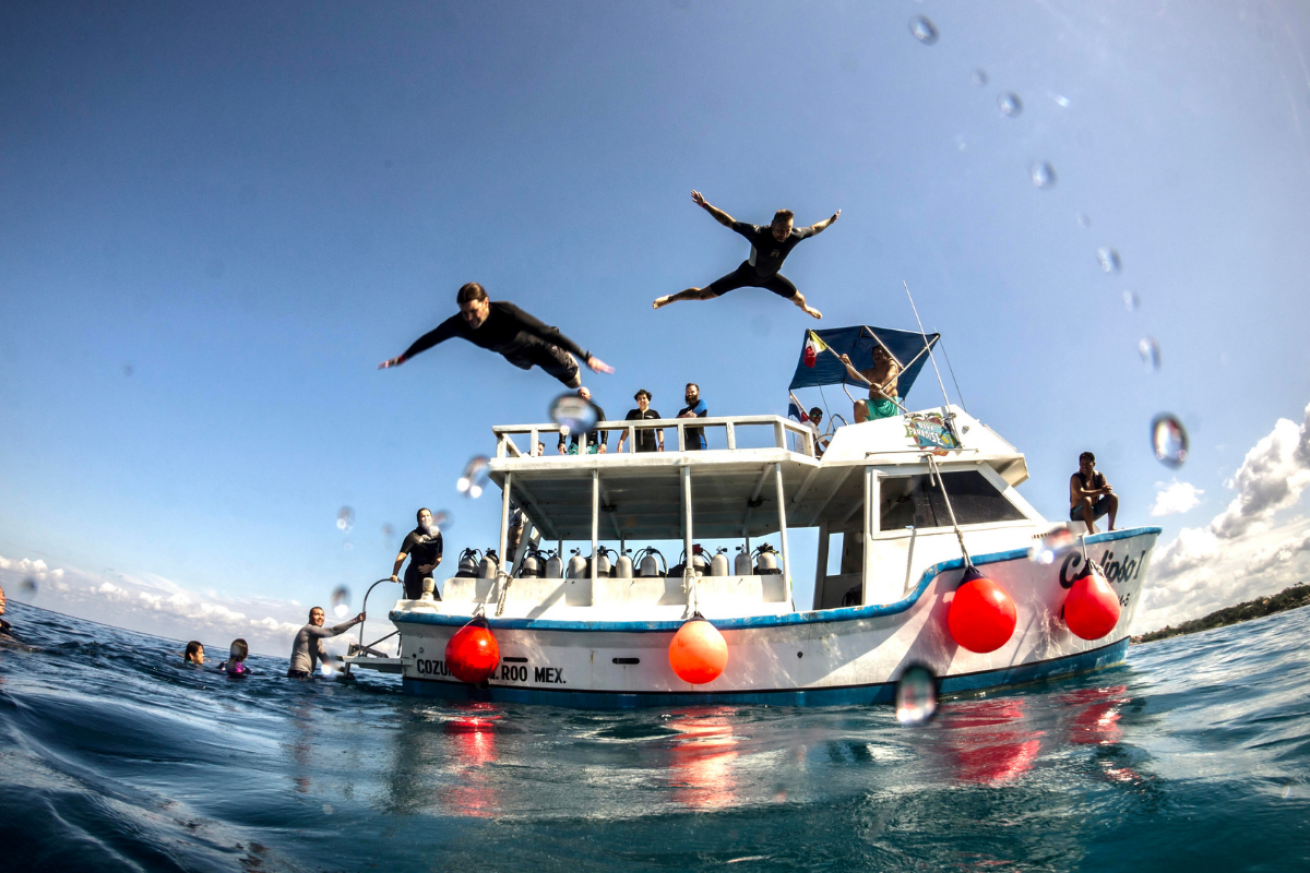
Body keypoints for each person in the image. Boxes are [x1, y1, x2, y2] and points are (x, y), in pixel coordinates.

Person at [378, 282, 613, 388]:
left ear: (486, 302)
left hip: (540, 346)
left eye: (473, 311)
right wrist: (403, 357)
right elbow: (430, 338)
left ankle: (565, 359)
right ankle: (537, 362)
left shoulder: (505, 311)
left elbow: (543, 330)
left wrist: (587, 356)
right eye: (464, 313)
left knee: (573, 383)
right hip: (513, 356)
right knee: (526, 365)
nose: (469, 319)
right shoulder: (458, 324)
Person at [652, 191, 839, 319]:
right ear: (772, 224)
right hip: (746, 274)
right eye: (780, 230)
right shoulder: (758, 232)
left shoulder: (795, 235)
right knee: (703, 295)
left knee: (800, 299)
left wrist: (830, 221)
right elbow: (728, 222)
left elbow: (815, 228)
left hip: (770, 278)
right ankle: (672, 298)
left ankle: (806, 309)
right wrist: (706, 206)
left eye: (787, 230)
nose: (783, 235)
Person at [288, 607, 364, 679]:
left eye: (322, 615)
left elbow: (326, 661)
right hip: (299, 674)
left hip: (304, 675)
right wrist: (355, 620)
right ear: (310, 617)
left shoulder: (316, 640)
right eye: (317, 614)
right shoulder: (308, 629)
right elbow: (333, 631)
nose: (320, 617)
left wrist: (345, 671)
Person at [391, 508, 444, 600]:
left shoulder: (437, 535)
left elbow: (439, 556)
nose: (426, 518)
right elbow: (401, 556)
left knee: (437, 603)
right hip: (413, 575)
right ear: (419, 521)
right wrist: (395, 573)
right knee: (416, 606)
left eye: (428, 515)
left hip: (428, 575)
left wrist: (432, 567)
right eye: (423, 516)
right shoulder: (413, 536)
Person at [839, 346, 901, 422]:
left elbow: (891, 374)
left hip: (889, 406)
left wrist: (881, 385)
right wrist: (848, 363)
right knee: (858, 405)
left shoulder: (891, 363)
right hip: (874, 406)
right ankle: (862, 432)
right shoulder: (870, 372)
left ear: (886, 355)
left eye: (879, 353)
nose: (876, 356)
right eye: (874, 354)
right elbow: (855, 375)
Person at [1070, 451, 1118, 533]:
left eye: (1087, 464)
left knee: (1113, 497)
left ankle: (1111, 527)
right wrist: (1100, 491)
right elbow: (1081, 494)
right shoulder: (1076, 478)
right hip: (1077, 514)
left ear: (1093, 464)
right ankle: (1092, 532)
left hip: (1093, 511)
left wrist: (1107, 490)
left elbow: (1105, 493)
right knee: (1086, 500)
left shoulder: (1099, 476)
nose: (1084, 466)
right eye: (1082, 464)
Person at [558, 386, 609, 454]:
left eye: (584, 394)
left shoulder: (597, 410)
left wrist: (604, 443)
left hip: (592, 447)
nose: (582, 395)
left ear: (589, 396)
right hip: (576, 447)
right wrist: (562, 442)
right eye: (580, 394)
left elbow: (604, 427)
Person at [617, 389, 664, 453]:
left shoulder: (654, 413)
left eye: (644, 398)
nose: (642, 400)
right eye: (639, 398)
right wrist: (621, 442)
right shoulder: (632, 413)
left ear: (648, 400)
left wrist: (661, 444)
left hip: (651, 449)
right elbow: (626, 430)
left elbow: (659, 430)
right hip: (635, 450)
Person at [677, 383, 709, 451]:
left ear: (698, 392)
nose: (690, 394)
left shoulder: (702, 403)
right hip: (686, 445)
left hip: (699, 442)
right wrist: (685, 416)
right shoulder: (683, 411)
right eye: (688, 392)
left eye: (692, 392)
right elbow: (676, 422)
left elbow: (693, 415)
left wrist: (683, 417)